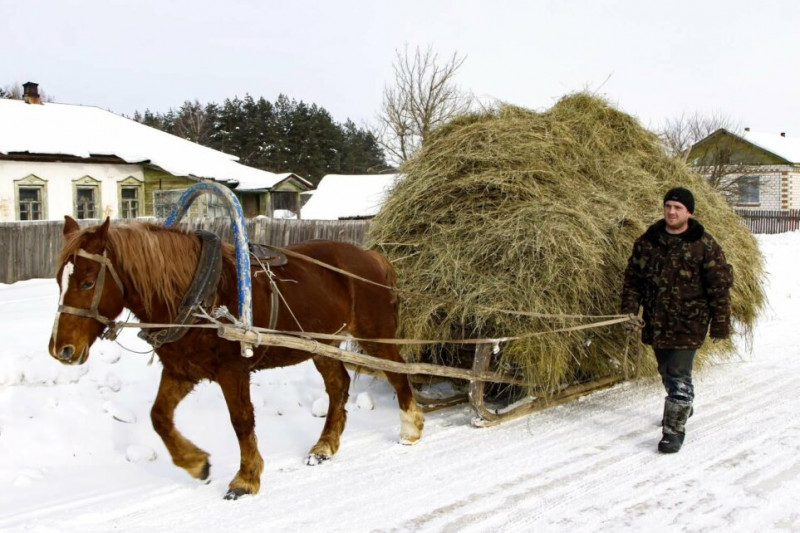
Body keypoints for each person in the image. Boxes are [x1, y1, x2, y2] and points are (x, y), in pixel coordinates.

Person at [621, 187, 733, 453]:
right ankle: (683, 403)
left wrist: (720, 323)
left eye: (678, 208)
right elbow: (633, 281)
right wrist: (629, 311)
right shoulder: (648, 242)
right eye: (668, 206)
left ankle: (673, 431)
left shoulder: (704, 245)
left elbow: (719, 287)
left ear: (689, 212)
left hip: (689, 323)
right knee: (666, 371)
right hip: (657, 322)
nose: (671, 212)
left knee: (678, 375)